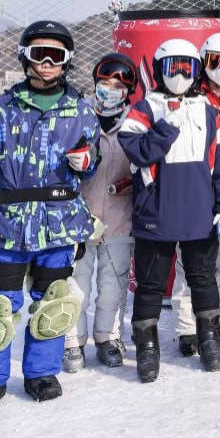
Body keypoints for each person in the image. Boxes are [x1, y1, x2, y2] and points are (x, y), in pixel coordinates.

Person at [0, 20, 99, 413]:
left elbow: (93, 163)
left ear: (67, 61)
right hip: (9, 223)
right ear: (26, 57)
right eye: (40, 54)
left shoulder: (80, 110)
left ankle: (40, 373)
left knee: (54, 303)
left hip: (59, 223)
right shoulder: (0, 110)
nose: (47, 63)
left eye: (56, 56)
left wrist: (88, 160)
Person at [119, 38, 220, 382]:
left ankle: (209, 338)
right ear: (159, 70)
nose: (181, 75)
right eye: (173, 68)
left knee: (203, 279)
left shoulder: (209, 112)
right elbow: (139, 153)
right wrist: (167, 126)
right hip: (155, 214)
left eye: (188, 68)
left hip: (200, 213)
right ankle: (147, 347)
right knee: (151, 284)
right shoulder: (144, 108)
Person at [171, 31, 220, 358]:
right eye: (213, 61)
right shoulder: (186, 92)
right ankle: (188, 327)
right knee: (189, 262)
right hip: (192, 189)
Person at [65, 52, 139, 372]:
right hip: (80, 221)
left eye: (117, 86)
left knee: (113, 287)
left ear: (128, 92)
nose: (109, 90)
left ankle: (108, 338)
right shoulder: (78, 119)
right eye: (104, 84)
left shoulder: (135, 124)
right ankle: (72, 342)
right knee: (74, 286)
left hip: (119, 222)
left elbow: (149, 166)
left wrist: (132, 182)